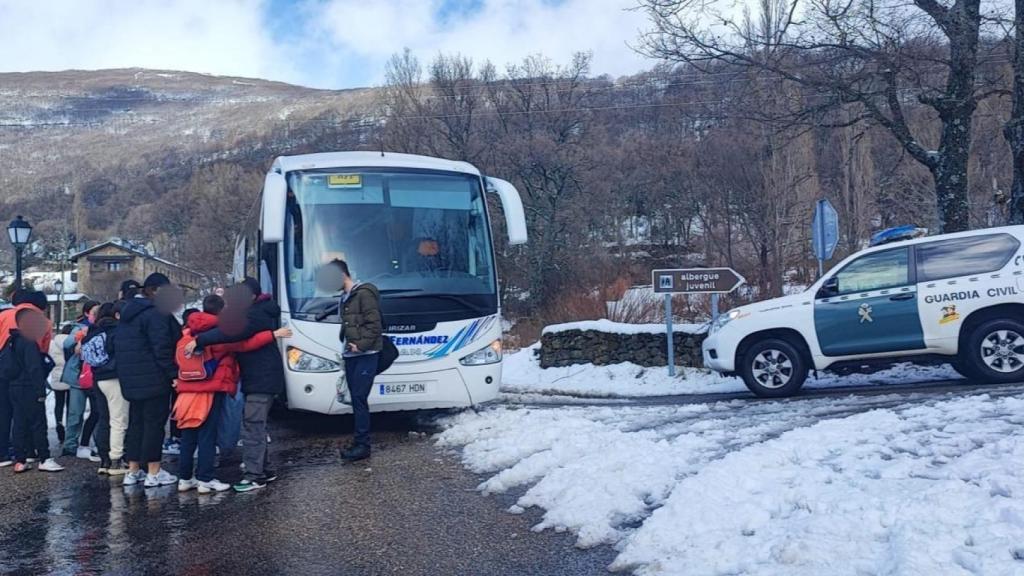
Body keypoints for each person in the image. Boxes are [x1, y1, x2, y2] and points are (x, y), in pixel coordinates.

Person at [175, 294, 290, 494]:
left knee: (188, 435)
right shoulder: (219, 333)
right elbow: (245, 344)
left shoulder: (186, 333)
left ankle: (184, 479)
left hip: (186, 391)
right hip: (209, 390)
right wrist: (272, 335)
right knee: (208, 434)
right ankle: (205, 479)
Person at [115, 273, 181, 488]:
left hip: (130, 379)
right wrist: (173, 374)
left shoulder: (127, 313)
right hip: (154, 379)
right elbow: (162, 347)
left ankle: (133, 470)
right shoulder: (156, 314)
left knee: (136, 424)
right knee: (154, 425)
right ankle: (154, 472)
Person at [333, 259, 383, 462]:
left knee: (359, 398)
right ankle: (359, 441)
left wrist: (361, 345)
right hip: (351, 355)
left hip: (366, 355)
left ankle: (363, 445)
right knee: (356, 399)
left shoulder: (364, 294)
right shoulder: (345, 297)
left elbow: (375, 325)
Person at [5, 307, 63, 473]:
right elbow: (34, 368)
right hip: (29, 386)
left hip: (14, 385)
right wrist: (40, 391)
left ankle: (20, 460)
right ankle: (44, 458)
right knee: (39, 422)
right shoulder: (29, 342)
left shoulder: (11, 340)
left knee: (19, 423)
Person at [0, 290, 54, 468]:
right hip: (26, 375)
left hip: (3, 370)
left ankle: (3, 453)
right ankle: (30, 451)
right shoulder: (43, 322)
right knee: (29, 414)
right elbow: (42, 353)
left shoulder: (4, 315)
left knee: (4, 412)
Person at [81, 302, 129, 476]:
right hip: (115, 377)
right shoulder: (117, 331)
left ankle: (104, 460)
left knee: (104, 419)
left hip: (97, 378)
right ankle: (116, 460)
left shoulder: (92, 332)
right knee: (118, 420)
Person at [61, 300, 100, 461]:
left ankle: (98, 443)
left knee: (98, 412)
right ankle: (70, 445)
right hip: (78, 376)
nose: (96, 315)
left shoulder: (102, 328)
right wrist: (80, 336)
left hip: (94, 376)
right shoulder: (79, 328)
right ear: (86, 313)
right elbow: (66, 343)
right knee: (75, 413)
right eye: (93, 312)